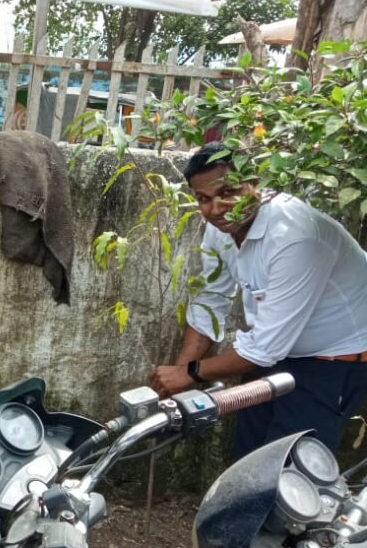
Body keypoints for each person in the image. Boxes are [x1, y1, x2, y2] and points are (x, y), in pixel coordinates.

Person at [149, 142, 367, 460]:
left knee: (293, 471)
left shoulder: (294, 236)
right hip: (273, 353)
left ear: (254, 183)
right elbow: (212, 298)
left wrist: (191, 373)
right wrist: (180, 375)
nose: (215, 208)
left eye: (227, 192)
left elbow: (263, 349)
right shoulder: (223, 226)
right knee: (248, 461)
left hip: (333, 361)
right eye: (204, 199)